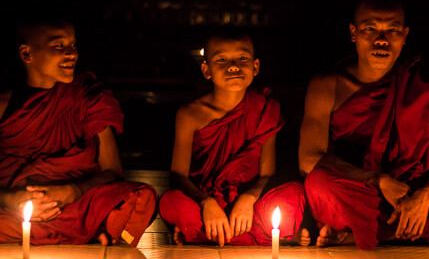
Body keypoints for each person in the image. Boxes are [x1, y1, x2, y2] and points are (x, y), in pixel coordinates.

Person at [298, 0, 429, 250]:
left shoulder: (424, 84)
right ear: (353, 33)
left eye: (392, 30)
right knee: (319, 184)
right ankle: (411, 232)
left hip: (413, 192)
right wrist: (378, 180)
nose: (381, 40)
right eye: (370, 28)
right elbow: (308, 160)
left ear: (404, 36)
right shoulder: (328, 85)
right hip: (361, 191)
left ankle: (358, 234)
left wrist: (423, 199)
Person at [0, 17, 156, 246]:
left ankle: (56, 231)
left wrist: (74, 191)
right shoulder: (3, 106)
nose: (72, 54)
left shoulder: (88, 96)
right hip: (16, 206)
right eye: (58, 46)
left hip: (75, 203)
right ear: (26, 54)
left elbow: (113, 172)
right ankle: (82, 232)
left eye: (73, 45)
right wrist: (11, 199)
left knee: (139, 195)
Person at [159, 28, 309, 247]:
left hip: (247, 208)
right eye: (221, 59)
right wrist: (206, 202)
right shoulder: (190, 114)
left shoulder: (265, 108)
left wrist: (250, 197)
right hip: (206, 207)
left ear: (255, 67)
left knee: (294, 193)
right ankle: (268, 236)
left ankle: (206, 235)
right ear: (206, 70)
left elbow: (267, 174)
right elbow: (178, 176)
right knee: (170, 202)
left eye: (242, 58)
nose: (233, 66)